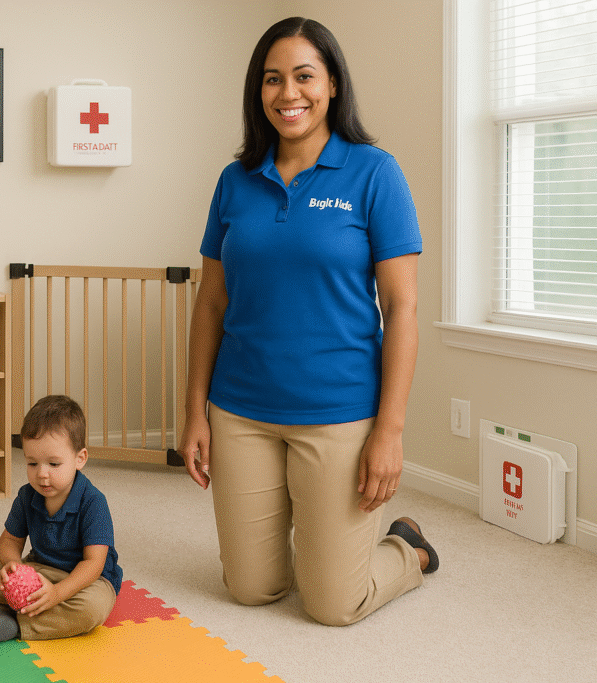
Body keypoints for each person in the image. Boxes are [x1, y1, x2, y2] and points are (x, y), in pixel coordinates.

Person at [178, 16, 438, 627]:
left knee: (333, 606)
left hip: (340, 414)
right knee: (250, 589)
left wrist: (390, 431)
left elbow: (403, 311)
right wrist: (195, 411)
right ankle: (328, 546)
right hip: (241, 410)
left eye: (304, 76)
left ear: (333, 86)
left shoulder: (376, 173)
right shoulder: (234, 181)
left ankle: (409, 548)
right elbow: (210, 304)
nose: (288, 94)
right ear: (257, 92)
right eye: (273, 80)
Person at [0, 395, 122, 649]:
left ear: (80, 458)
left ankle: (14, 625)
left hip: (85, 581)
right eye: (32, 463)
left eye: (53, 464)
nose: (42, 473)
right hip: (39, 569)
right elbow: (9, 540)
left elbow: (94, 564)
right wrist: (13, 566)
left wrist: (58, 594)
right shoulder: (27, 495)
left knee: (94, 608)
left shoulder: (94, 502)